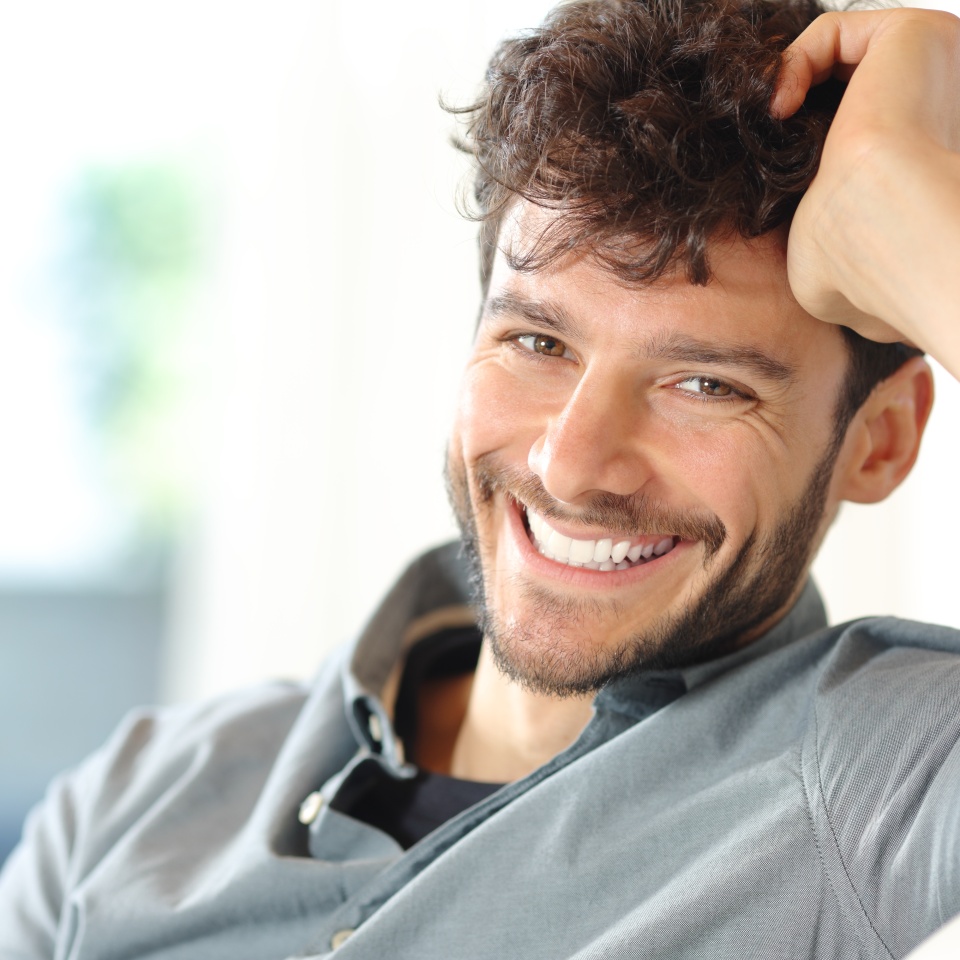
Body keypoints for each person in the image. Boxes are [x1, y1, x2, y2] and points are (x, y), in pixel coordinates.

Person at [1, 0, 958, 956]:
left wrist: (925, 220)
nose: (569, 462)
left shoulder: (893, 788)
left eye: (704, 383)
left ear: (880, 442)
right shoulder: (137, 797)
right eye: (537, 340)